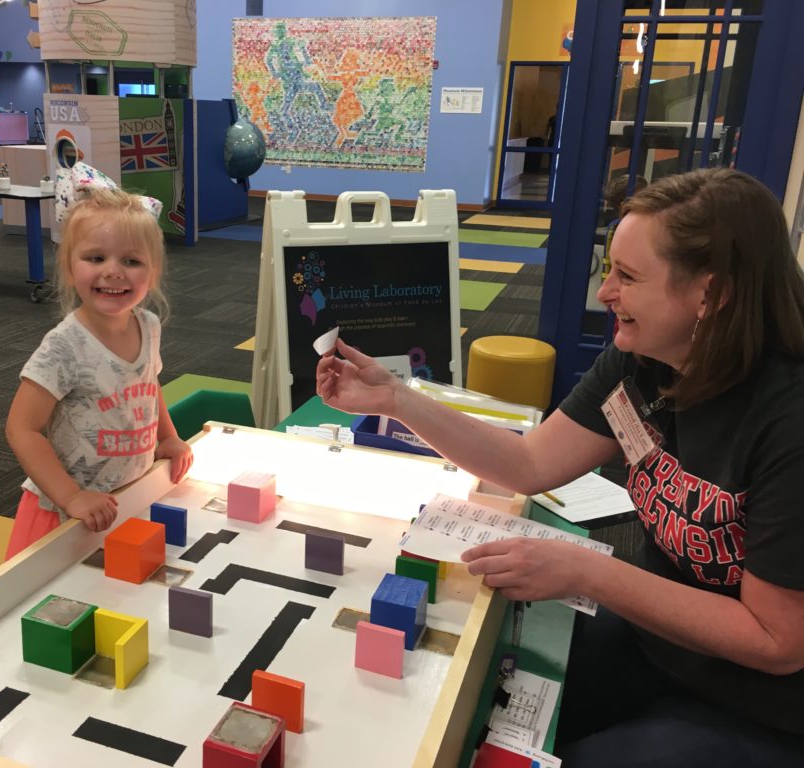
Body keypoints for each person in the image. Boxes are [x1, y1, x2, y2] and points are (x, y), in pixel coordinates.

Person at [316, 168, 804, 767]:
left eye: (627, 276)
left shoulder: (787, 420)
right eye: (609, 270)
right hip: (659, 645)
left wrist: (588, 572)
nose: (605, 293)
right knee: (472, 702)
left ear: (712, 293)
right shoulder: (643, 361)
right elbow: (527, 462)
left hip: (762, 706)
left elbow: (776, 642)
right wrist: (398, 399)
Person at [4, 180, 193, 560]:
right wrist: (72, 496)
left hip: (127, 496)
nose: (114, 272)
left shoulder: (148, 325)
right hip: (65, 514)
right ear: (70, 269)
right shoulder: (65, 345)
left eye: (131, 261)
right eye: (95, 258)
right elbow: (21, 428)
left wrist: (167, 438)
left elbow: (147, 385)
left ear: (152, 273)